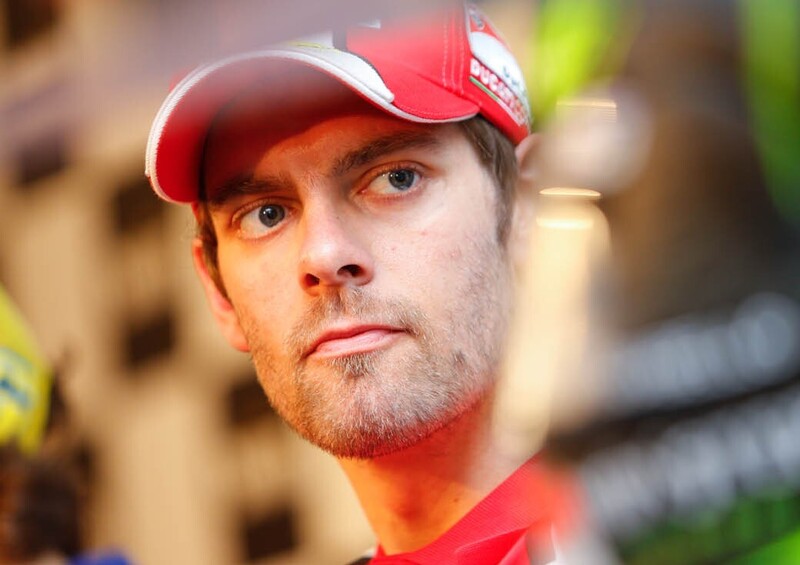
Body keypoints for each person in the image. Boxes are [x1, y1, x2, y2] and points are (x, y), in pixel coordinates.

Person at [145, 3, 576, 563]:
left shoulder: (666, 534)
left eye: (396, 179)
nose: (324, 255)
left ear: (530, 209)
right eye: (265, 215)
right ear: (217, 290)